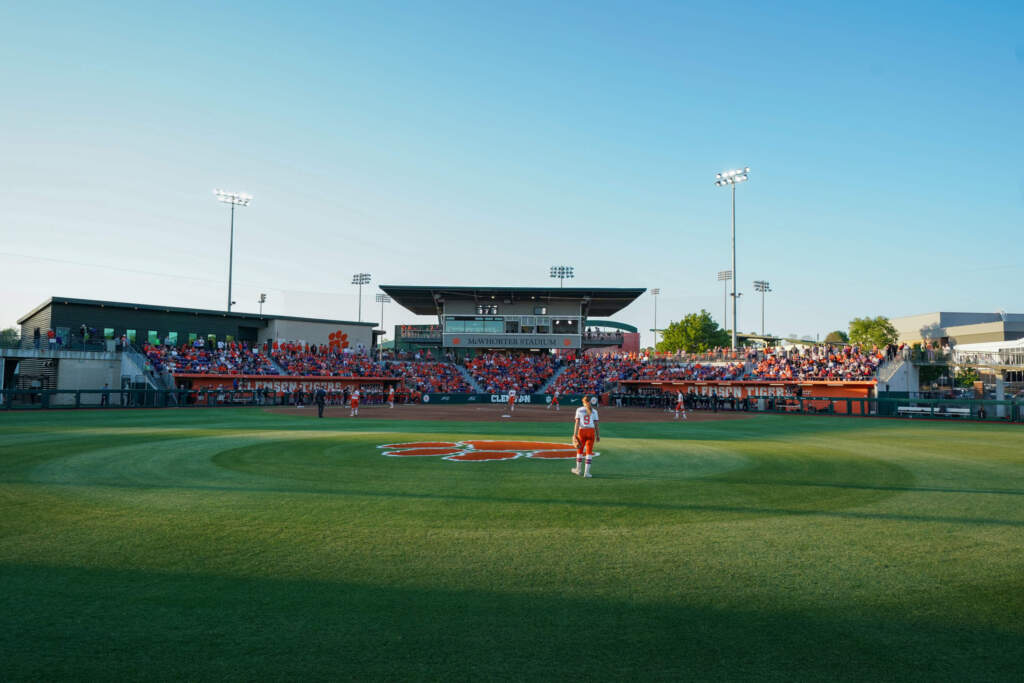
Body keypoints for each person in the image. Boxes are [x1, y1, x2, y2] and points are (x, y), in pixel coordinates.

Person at [571, 395, 600, 478]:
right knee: (589, 452)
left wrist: (575, 434)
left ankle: (578, 470)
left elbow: (577, 423)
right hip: (591, 431)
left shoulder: (579, 410)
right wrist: (598, 435)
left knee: (579, 450)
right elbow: (596, 425)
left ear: (583, 402)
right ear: (590, 402)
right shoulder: (594, 411)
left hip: (582, 431)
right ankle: (586, 473)